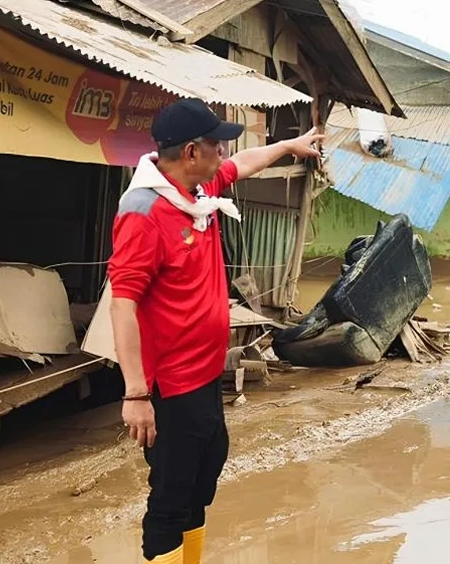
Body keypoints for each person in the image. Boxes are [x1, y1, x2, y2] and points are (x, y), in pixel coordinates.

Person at [109, 98, 323, 564]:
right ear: (191, 152)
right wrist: (136, 395)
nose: (225, 153)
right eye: (217, 145)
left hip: (204, 374)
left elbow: (244, 163)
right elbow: (122, 304)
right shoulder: (144, 212)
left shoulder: (196, 192)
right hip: (169, 383)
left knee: (205, 471)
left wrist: (289, 145)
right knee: (171, 493)